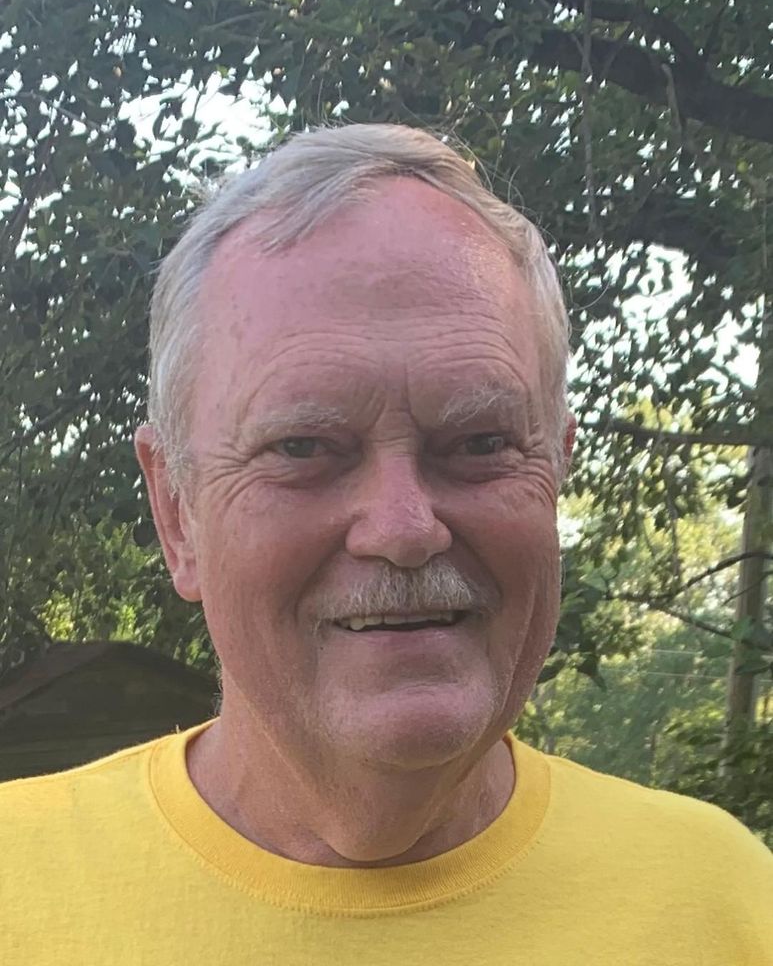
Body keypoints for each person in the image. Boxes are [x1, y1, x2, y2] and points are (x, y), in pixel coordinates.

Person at [1, 123, 771, 965]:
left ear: (554, 473)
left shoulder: (723, 907)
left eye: (479, 442)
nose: (404, 529)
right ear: (177, 511)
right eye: (303, 447)